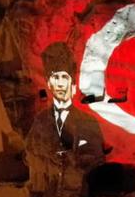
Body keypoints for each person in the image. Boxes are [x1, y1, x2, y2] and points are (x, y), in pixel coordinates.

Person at [26, 43, 104, 181]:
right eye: (55, 78)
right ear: (48, 82)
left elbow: (98, 166)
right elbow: (29, 157)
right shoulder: (39, 122)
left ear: (72, 81)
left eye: (64, 77)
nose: (60, 84)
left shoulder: (88, 123)